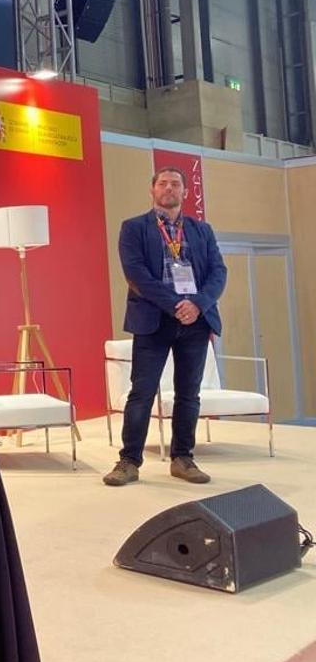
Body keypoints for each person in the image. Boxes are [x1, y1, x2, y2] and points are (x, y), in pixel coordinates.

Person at [103, 166, 227, 486]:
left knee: (189, 394)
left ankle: (183, 458)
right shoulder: (133, 228)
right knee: (142, 393)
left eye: (175, 184)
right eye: (163, 183)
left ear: (185, 191)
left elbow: (218, 273)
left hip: (195, 322)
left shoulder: (202, 230)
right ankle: (129, 461)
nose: (169, 188)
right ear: (152, 190)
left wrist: (197, 304)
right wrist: (175, 305)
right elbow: (136, 274)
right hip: (153, 320)